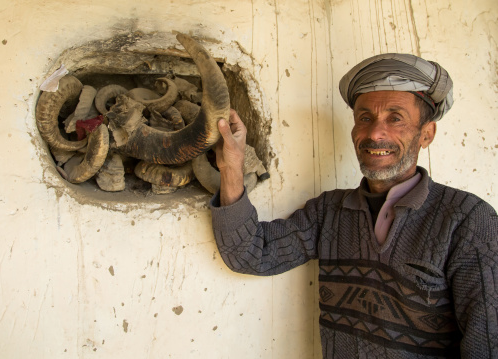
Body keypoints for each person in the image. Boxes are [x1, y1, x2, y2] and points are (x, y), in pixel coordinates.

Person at [209, 54, 498, 358]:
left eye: (395, 118)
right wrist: (232, 166)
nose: (374, 133)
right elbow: (250, 254)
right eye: (365, 118)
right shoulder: (329, 212)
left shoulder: (468, 220)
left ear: (426, 134)